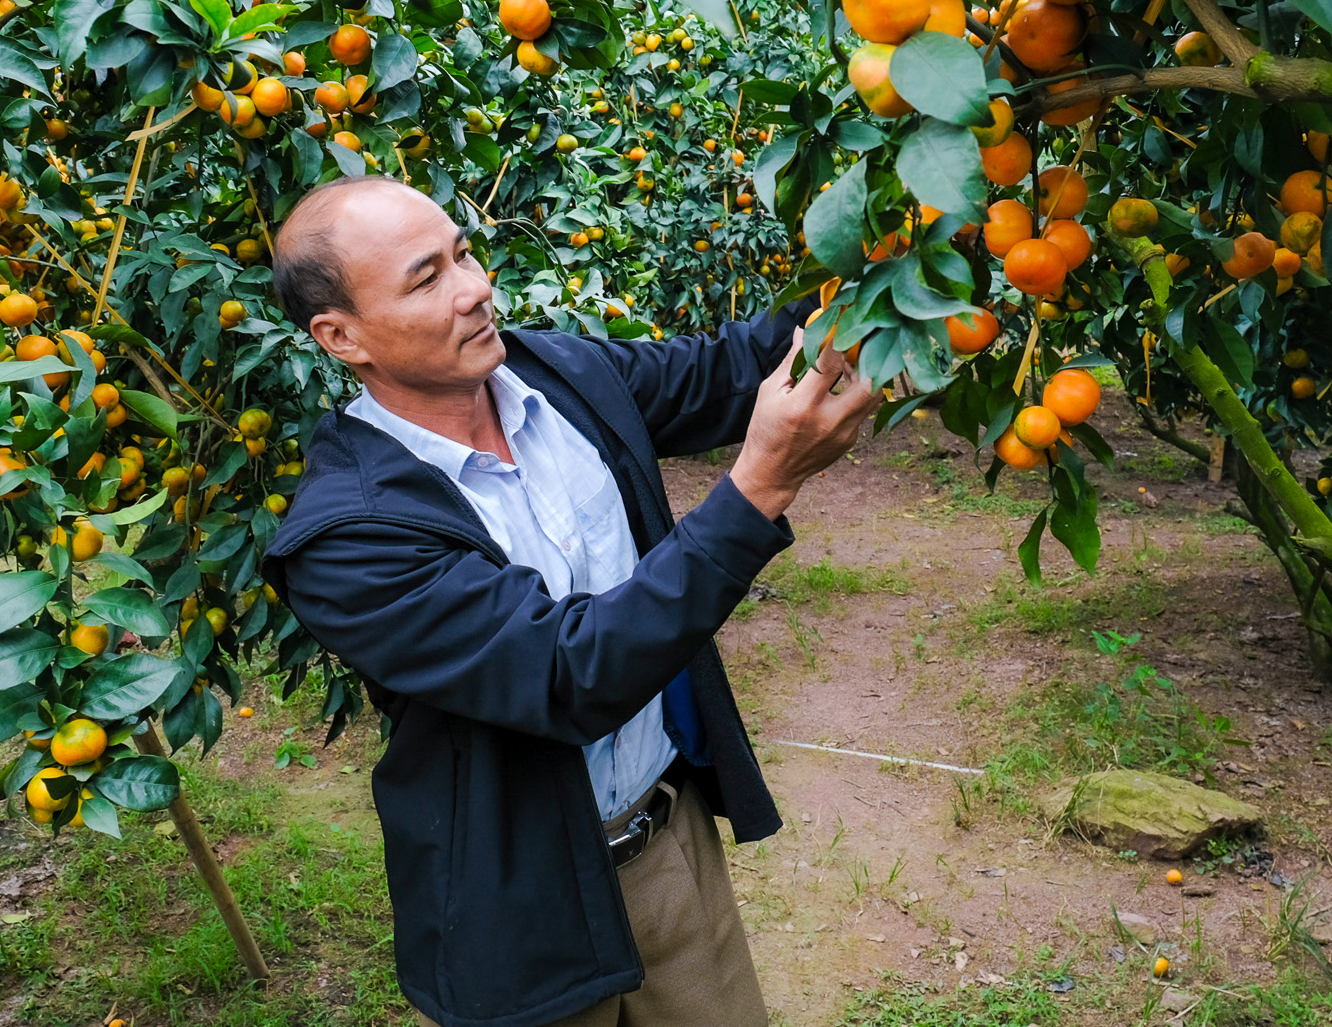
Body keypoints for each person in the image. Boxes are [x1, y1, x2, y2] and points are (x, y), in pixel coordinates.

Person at [262, 176, 878, 1027]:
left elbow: (728, 371)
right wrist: (759, 487)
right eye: (426, 278)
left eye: (463, 254)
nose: (475, 288)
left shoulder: (560, 376)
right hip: (521, 909)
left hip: (668, 846)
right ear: (341, 336)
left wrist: (886, 256)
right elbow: (569, 671)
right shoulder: (348, 536)